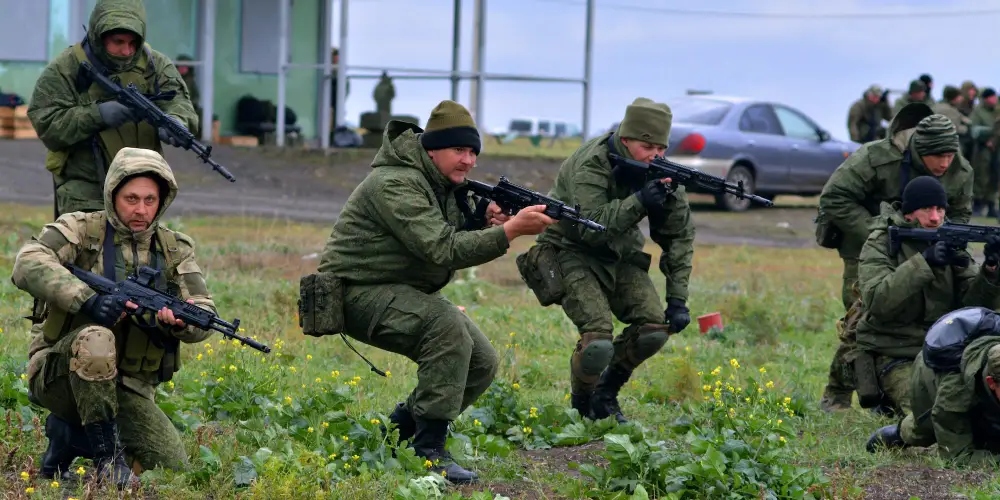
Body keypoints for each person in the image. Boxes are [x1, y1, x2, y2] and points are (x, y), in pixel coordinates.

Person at [315, 100, 556, 484]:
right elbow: (441, 248)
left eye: (473, 151)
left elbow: (450, 232)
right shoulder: (394, 183)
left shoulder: (441, 184)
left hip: (401, 288)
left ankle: (398, 433)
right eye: (458, 150)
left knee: (482, 362)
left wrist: (483, 220)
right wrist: (509, 232)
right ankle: (429, 450)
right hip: (356, 291)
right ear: (431, 150)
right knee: (447, 328)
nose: (468, 161)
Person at [10, 147, 217, 488]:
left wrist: (183, 323)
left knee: (171, 467)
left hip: (127, 387)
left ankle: (69, 436)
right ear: (112, 195)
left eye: (150, 200)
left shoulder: (173, 248)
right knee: (96, 339)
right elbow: (27, 261)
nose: (141, 210)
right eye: (131, 198)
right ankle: (108, 460)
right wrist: (87, 300)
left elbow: (204, 311)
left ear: (163, 200)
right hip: (58, 372)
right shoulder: (81, 228)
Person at [525, 97, 695, 424]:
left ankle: (606, 393)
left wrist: (678, 299)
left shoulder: (662, 175)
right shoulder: (592, 162)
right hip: (570, 249)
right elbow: (592, 227)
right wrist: (640, 200)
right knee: (597, 342)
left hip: (620, 255)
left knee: (654, 328)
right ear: (626, 138)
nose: (655, 156)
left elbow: (679, 236)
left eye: (662, 148)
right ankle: (583, 404)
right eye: (647, 146)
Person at [816, 105, 974, 412]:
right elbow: (834, 198)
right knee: (861, 316)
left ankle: (892, 385)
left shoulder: (959, 170)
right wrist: (882, 236)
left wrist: (951, 244)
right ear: (919, 150)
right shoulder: (877, 157)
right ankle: (838, 393)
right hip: (866, 244)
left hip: (928, 246)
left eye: (949, 156)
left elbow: (960, 215)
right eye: (936, 157)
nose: (943, 164)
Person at [27, 0, 198, 218]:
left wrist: (177, 121)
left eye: (132, 42)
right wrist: (98, 115)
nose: (127, 51)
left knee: (138, 251)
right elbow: (47, 122)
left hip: (140, 188)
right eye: (118, 42)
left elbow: (179, 101)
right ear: (99, 36)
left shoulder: (155, 65)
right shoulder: (66, 68)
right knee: (86, 249)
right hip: (86, 188)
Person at [852, 176, 1000, 417]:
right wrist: (924, 263)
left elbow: (973, 310)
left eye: (940, 209)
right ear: (909, 213)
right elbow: (877, 301)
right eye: (926, 209)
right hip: (896, 352)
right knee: (929, 415)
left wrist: (991, 271)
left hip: (945, 350)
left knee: (980, 403)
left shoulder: (951, 241)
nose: (934, 217)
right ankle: (887, 399)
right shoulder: (880, 243)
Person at [866, 306, 1000, 465]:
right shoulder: (954, 394)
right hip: (930, 380)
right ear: (992, 382)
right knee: (924, 430)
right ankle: (895, 434)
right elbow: (959, 458)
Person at [969, 88, 998, 217]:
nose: (994, 99)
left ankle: (991, 205)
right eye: (992, 97)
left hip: (997, 148)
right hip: (982, 149)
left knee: (995, 177)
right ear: (986, 99)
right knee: (981, 176)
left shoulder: (997, 111)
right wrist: (988, 136)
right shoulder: (978, 111)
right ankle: (978, 204)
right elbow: (974, 129)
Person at [175, 54, 202, 138]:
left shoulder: (191, 81)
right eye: (181, 66)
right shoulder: (173, 79)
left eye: (185, 66)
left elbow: (195, 97)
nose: (182, 69)